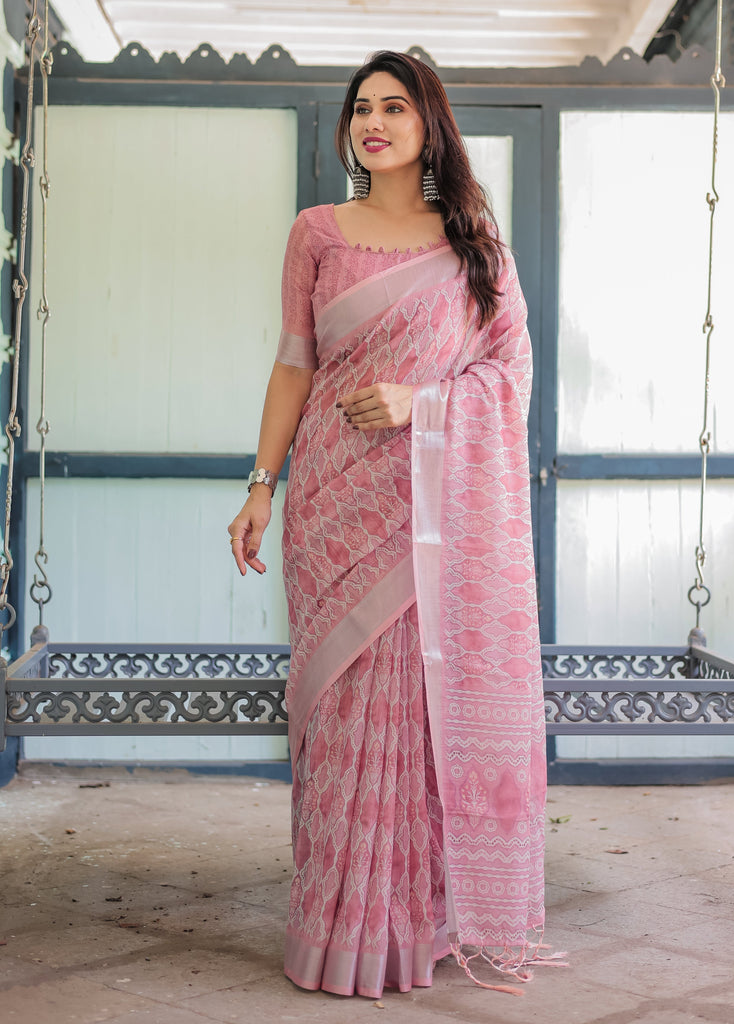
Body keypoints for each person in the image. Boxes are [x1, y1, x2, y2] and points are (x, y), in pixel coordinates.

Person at [228, 49, 564, 999]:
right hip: (331, 505)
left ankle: (411, 930)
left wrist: (423, 403)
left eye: (395, 107)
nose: (373, 122)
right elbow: (293, 365)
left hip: (433, 515)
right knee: (339, 718)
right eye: (362, 108)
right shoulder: (316, 232)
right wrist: (260, 485)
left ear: (429, 125)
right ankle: (337, 928)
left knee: (419, 719)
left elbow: (509, 373)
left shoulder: (472, 243)